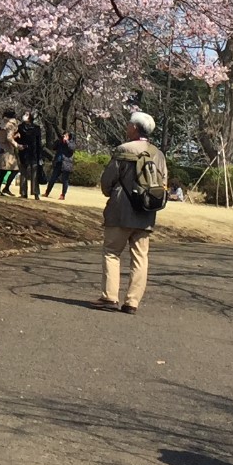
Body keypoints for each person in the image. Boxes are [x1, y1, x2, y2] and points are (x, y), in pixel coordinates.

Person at [96, 111, 166, 314]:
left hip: (121, 209)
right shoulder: (158, 154)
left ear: (135, 128)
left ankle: (109, 297)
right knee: (140, 257)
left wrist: (110, 192)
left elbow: (108, 179)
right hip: (146, 211)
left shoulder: (123, 149)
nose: (127, 127)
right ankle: (132, 302)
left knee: (111, 252)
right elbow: (162, 183)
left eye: (129, 125)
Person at [16, 112, 43, 198]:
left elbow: (39, 143)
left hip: (34, 152)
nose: (24, 116)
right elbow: (17, 139)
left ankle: (36, 193)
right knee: (23, 173)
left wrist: (40, 156)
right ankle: (23, 193)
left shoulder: (36, 128)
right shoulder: (20, 127)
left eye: (27, 115)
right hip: (23, 152)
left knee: (34, 174)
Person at [46, 132, 76, 198]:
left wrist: (67, 141)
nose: (64, 137)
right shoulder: (60, 142)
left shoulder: (71, 142)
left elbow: (72, 149)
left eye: (66, 136)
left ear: (69, 137)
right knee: (52, 179)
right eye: (64, 135)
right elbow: (53, 147)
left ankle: (63, 195)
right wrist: (59, 140)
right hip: (58, 163)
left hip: (66, 164)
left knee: (65, 180)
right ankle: (47, 192)